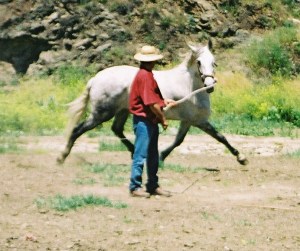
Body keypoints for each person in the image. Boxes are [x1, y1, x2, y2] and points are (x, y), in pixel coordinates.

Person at [129, 45, 176, 198]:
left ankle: (152, 185)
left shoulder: (146, 75)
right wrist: (163, 118)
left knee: (152, 155)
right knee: (141, 154)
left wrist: (164, 101)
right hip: (144, 121)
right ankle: (135, 187)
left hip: (148, 120)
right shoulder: (145, 76)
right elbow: (150, 103)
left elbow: (153, 100)